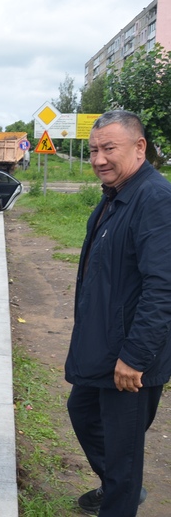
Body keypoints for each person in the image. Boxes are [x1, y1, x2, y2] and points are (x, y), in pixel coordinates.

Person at [65, 110, 171, 516]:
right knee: (82, 411)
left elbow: (162, 288)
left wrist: (135, 357)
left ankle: (119, 495)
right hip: (105, 348)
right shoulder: (116, 196)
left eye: (109, 148)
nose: (98, 159)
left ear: (139, 147)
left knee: (124, 453)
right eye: (93, 150)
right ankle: (118, 487)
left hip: (130, 360)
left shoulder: (155, 200)